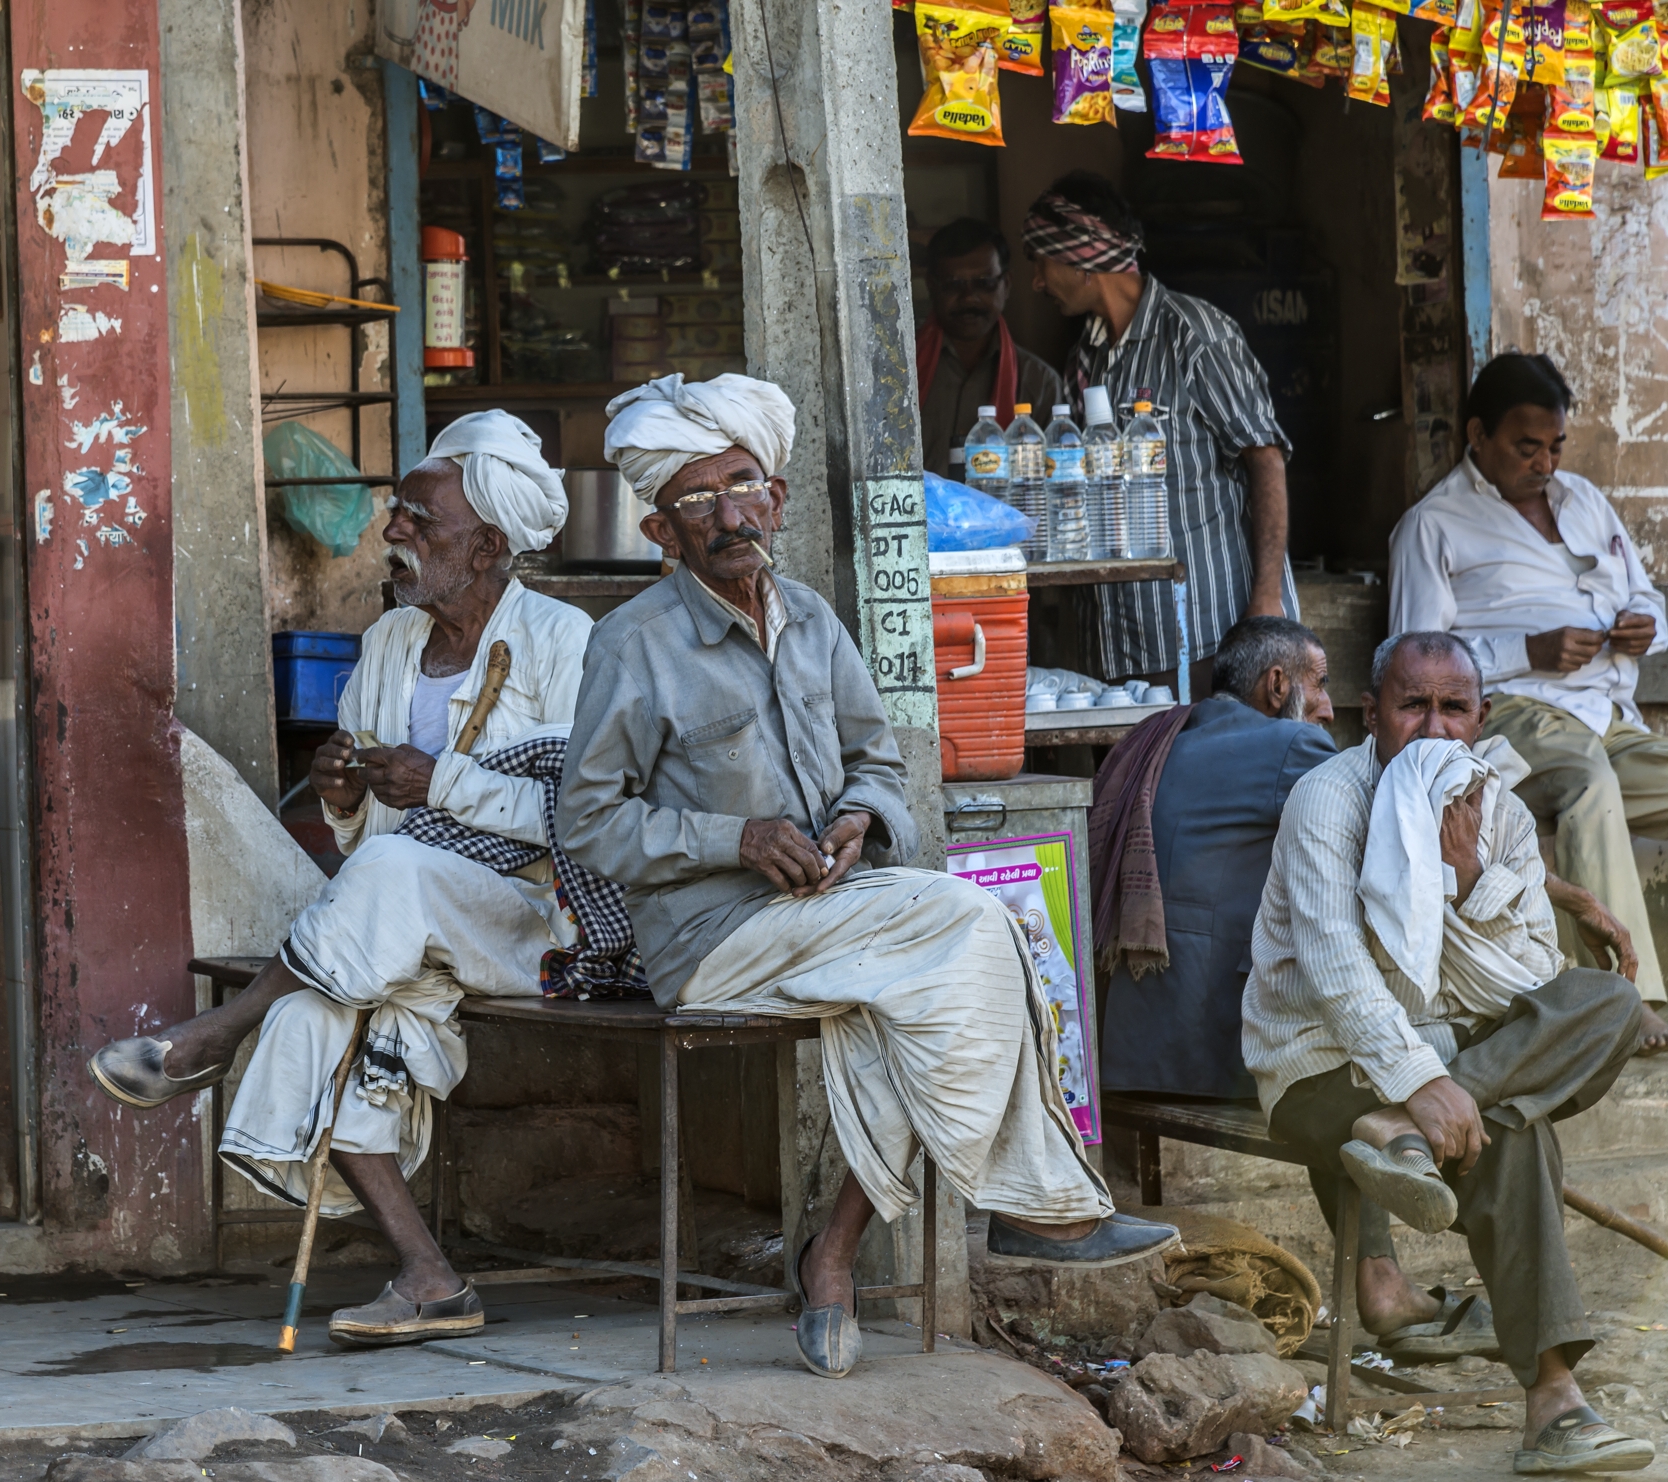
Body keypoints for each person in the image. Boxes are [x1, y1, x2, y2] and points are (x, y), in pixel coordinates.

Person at [558, 371, 1179, 1382]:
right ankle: (1034, 1213)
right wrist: (736, 839)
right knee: (970, 932)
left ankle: (835, 1257)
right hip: (709, 938)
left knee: (925, 990)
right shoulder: (633, 645)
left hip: (830, 913)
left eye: (744, 486)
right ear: (658, 532)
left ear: (779, 499)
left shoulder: (809, 619)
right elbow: (587, 821)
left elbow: (878, 764)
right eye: (698, 502)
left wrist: (855, 820)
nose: (729, 515)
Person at [86, 411, 596, 1349]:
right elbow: (372, 838)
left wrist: (438, 783)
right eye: (397, 513)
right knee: (313, 1018)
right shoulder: (391, 645)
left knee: (394, 876)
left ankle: (211, 1035)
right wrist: (344, 799)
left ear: (486, 545)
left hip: (537, 923)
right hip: (401, 917)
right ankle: (432, 1278)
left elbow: (586, 822)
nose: (392, 531)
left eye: (418, 518)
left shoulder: (567, 642)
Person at [1244, 631, 1653, 1475]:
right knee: (1516, 1129)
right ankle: (1554, 1403)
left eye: (1453, 709)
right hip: (1319, 1068)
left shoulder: (1495, 810)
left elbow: (1535, 977)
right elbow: (1334, 970)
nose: (1434, 730)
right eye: (1413, 706)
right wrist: (1423, 1079)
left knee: (1606, 1001)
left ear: (1481, 717)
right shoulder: (1329, 799)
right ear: (1374, 716)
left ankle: (1408, 1121)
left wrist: (1463, 880)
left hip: (1420, 1083)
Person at [1390, 351, 1668, 1053]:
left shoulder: (1585, 500)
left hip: (1607, 714)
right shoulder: (1434, 525)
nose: (1544, 463)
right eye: (1525, 447)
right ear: (1477, 435)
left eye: (1554, 446)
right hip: (1516, 716)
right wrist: (1527, 651)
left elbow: (1646, 597)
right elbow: (1415, 661)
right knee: (1588, 786)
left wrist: (1645, 625)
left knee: (1617, 771)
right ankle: (1629, 1004)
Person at [1022, 170, 1296, 700]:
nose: (1036, 281)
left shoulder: (1194, 335)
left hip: (1209, 635)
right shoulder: (1087, 359)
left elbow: (1265, 457)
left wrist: (1266, 599)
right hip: (1120, 645)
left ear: (1082, 260)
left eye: (1041, 260)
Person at [1094, 615, 1339, 1103]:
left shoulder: (1162, 734)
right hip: (1213, 1045)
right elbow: (1363, 829)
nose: (1329, 709)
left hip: (1128, 1035)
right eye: (1320, 684)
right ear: (1276, 685)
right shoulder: (1294, 744)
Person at [914, 217, 1064, 484]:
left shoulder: (1039, 382)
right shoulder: (900, 372)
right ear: (932, 286)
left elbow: (1052, 484)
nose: (969, 297)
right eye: (954, 284)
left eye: (984, 283)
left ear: (1006, 285)